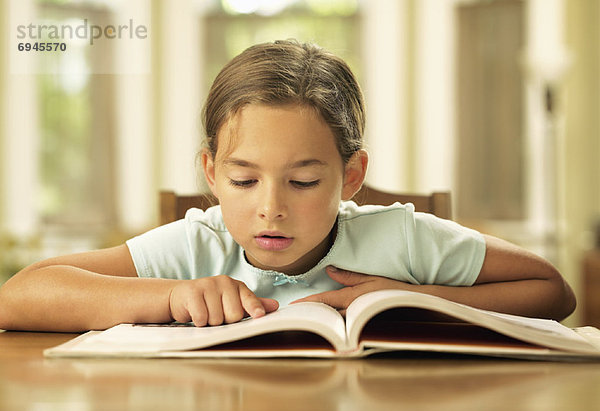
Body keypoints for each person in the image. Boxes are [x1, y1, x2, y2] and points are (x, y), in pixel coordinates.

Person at [0, 40, 575, 332]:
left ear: (351, 177)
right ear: (210, 175)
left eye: (302, 181)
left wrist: (410, 298)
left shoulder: (400, 239)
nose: (269, 207)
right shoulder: (197, 246)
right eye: (244, 179)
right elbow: (20, 295)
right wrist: (171, 296)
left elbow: (553, 291)